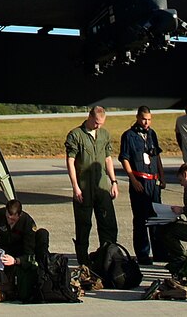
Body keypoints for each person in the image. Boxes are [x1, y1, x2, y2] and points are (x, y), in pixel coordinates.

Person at [65, 105, 119, 264]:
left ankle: (108, 258)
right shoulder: (76, 135)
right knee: (83, 225)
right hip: (84, 187)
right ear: (89, 117)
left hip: (102, 185)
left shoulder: (104, 134)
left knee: (108, 223)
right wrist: (75, 186)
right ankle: (83, 261)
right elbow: (70, 161)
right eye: (96, 122)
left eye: (101, 123)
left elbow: (108, 158)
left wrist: (113, 182)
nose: (98, 126)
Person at [0, 197, 49, 300]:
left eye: (13, 219)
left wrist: (16, 261)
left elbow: (29, 255)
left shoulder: (27, 222)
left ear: (19, 215)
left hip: (20, 254)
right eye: (8, 217)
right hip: (1, 252)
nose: (9, 221)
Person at [119, 106, 165, 262]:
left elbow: (157, 156)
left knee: (156, 217)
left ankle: (159, 251)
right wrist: (133, 179)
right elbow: (125, 158)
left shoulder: (152, 134)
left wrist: (162, 177)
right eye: (144, 119)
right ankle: (143, 253)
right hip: (139, 180)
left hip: (154, 181)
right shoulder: (128, 136)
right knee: (140, 219)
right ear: (138, 118)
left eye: (149, 119)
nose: (147, 123)